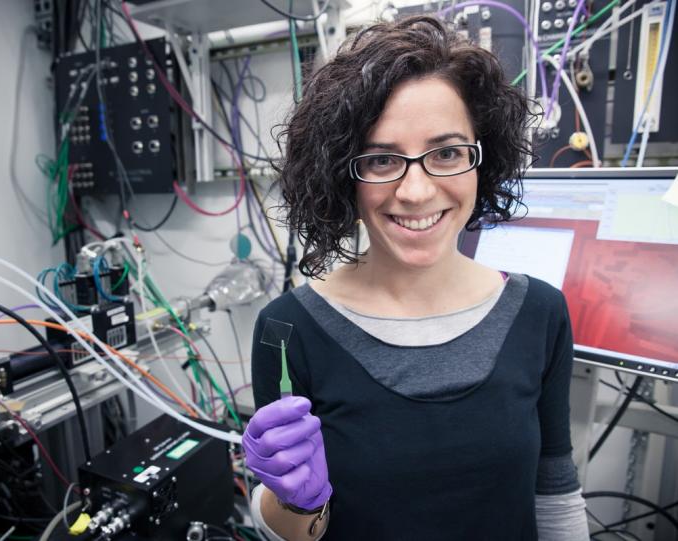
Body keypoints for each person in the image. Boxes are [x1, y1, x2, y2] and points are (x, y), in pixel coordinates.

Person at [241, 14, 590, 541]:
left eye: (446, 153)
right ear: (343, 175)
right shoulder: (287, 330)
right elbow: (297, 531)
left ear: (482, 158)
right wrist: (293, 501)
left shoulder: (539, 312)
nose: (416, 191)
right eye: (382, 159)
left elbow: (556, 493)